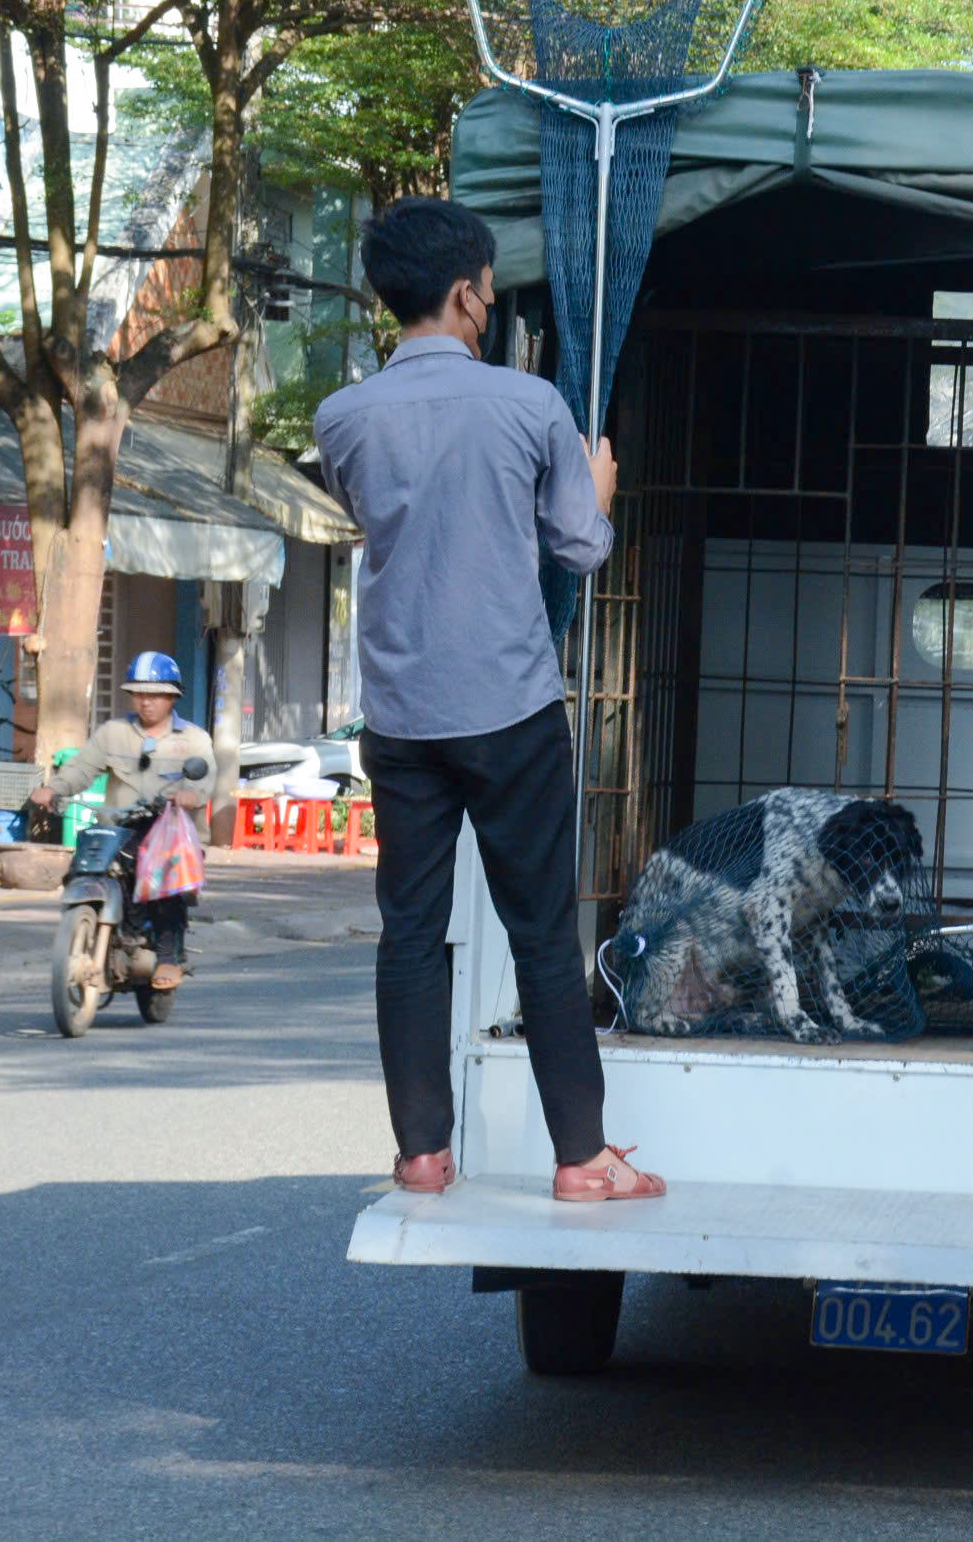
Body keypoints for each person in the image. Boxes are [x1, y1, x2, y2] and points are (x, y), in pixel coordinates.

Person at [314, 196, 662, 1206]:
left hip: (401, 718)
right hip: (508, 708)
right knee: (541, 932)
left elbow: (373, 518)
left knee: (412, 930)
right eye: (485, 290)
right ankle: (581, 1158)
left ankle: (422, 1152)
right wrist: (594, 491)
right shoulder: (529, 406)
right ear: (469, 295)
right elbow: (578, 549)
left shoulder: (342, 418)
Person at [28, 651, 214, 991]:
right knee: (82, 866)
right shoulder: (113, 733)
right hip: (119, 827)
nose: (146, 702)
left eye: (155, 694)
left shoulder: (194, 739)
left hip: (173, 834)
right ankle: (89, 930)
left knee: (166, 876)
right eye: (140, 694)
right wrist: (53, 789)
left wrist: (190, 795)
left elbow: (203, 781)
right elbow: (82, 769)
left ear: (173, 697)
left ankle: (169, 957)